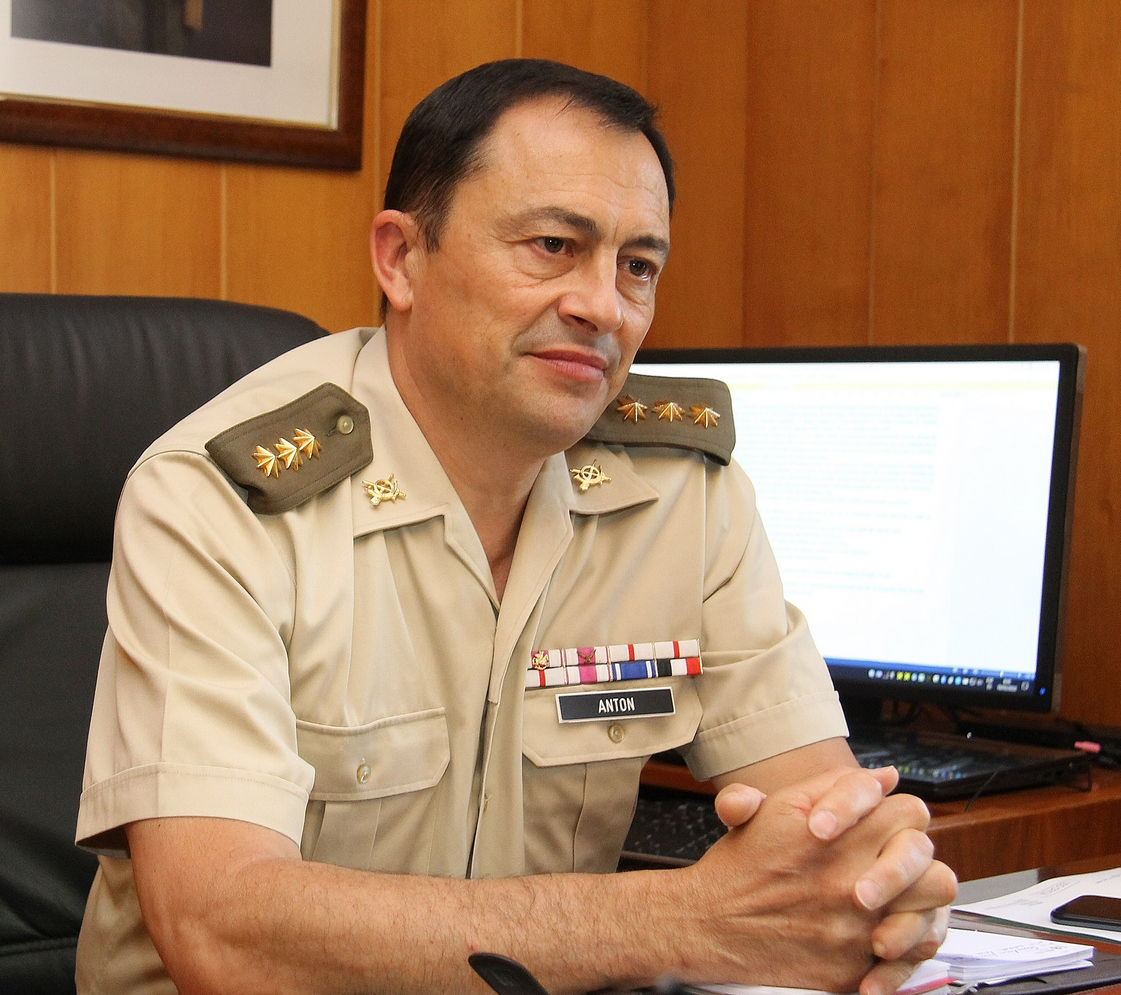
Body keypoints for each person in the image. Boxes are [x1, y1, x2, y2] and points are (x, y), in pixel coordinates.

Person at [73, 59, 956, 995]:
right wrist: (688, 920)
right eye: (552, 246)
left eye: (638, 266)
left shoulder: (684, 493)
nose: (603, 306)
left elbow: (827, 829)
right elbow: (223, 930)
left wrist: (881, 886)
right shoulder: (221, 499)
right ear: (400, 259)